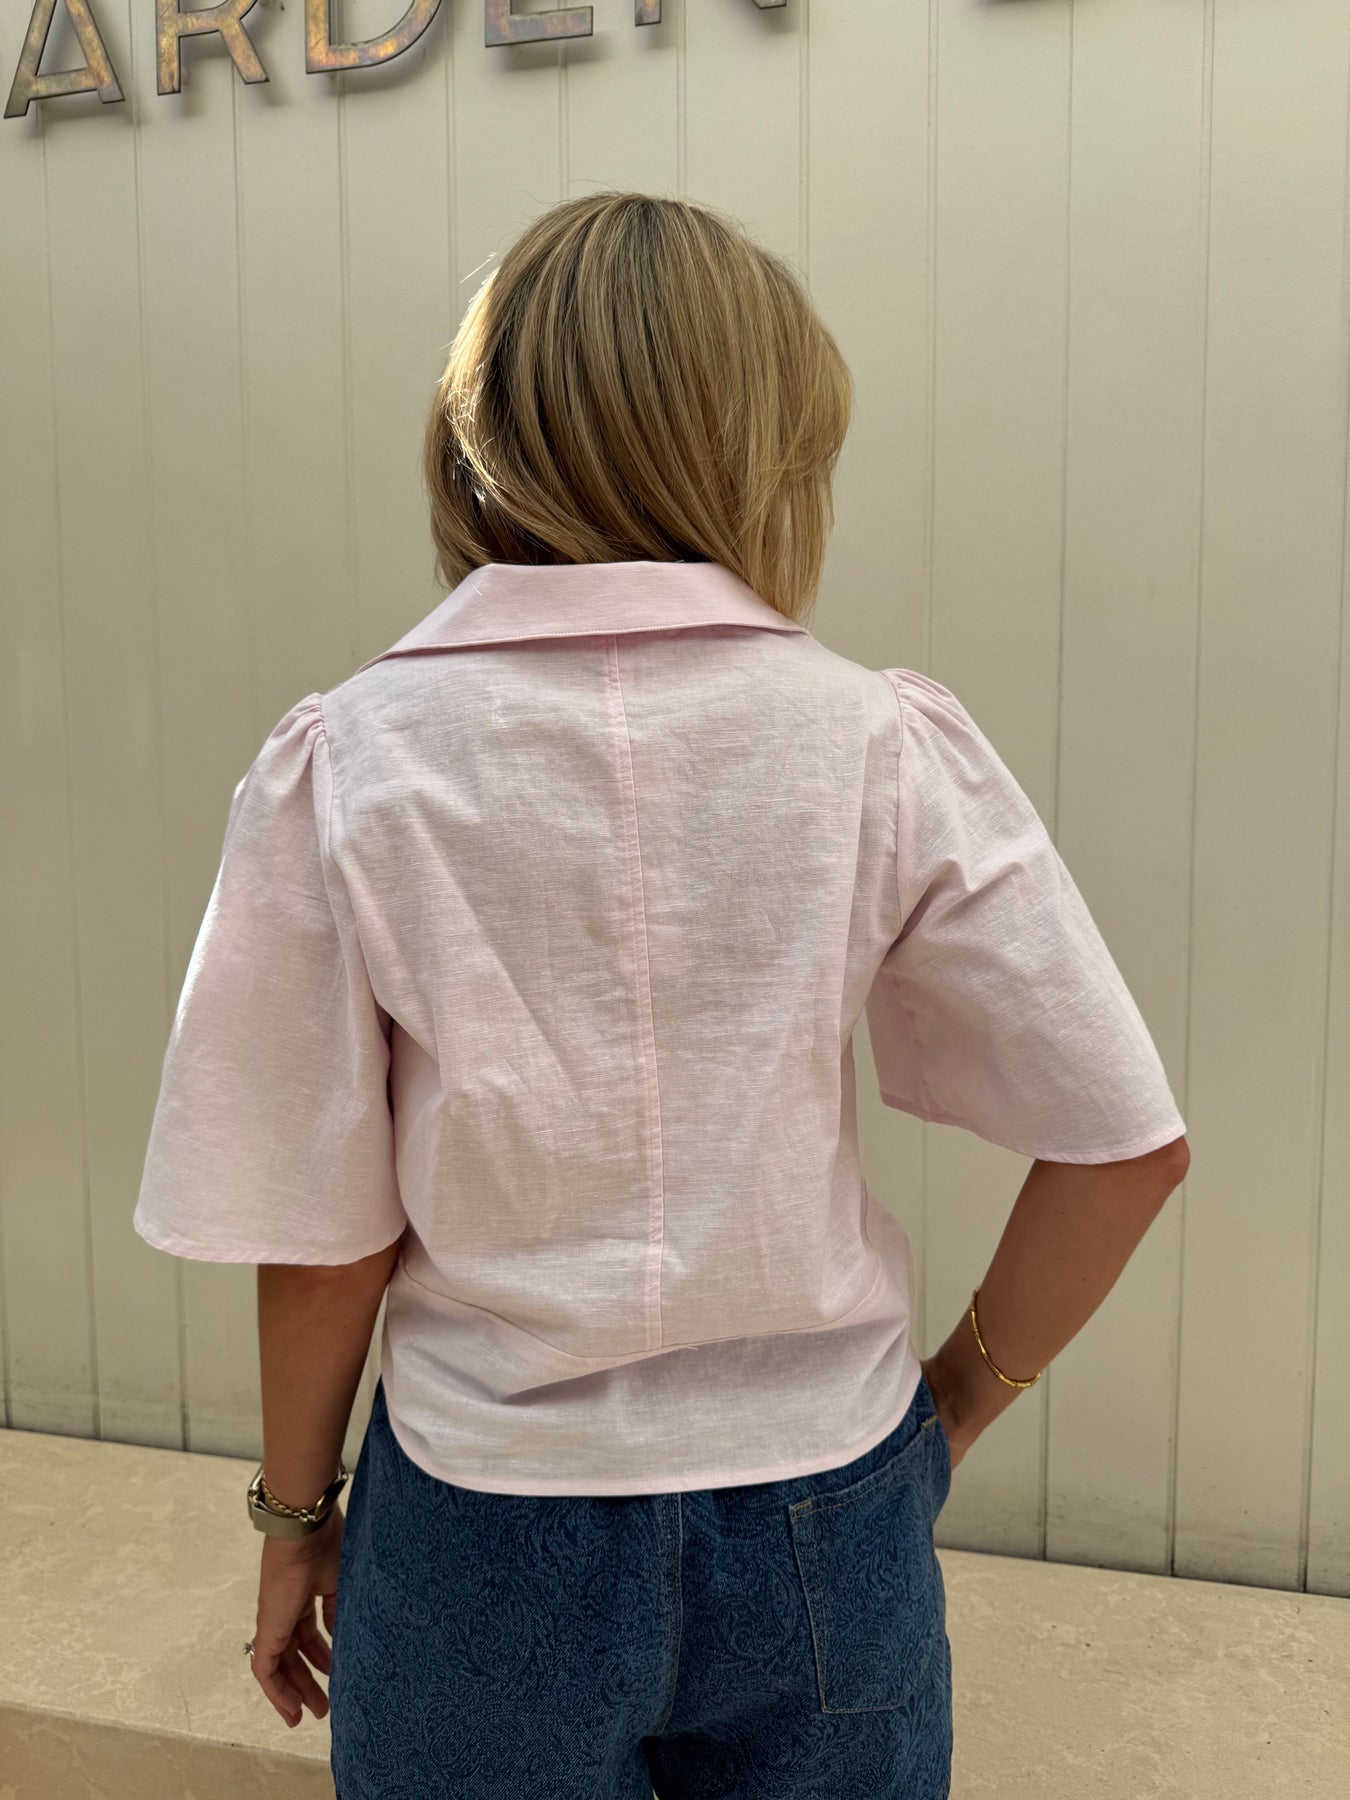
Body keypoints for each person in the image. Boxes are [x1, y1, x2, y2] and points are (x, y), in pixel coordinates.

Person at [132, 190, 1189, 1800]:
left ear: (473, 445)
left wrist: (293, 1518)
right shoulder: (877, 745)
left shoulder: (347, 767)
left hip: (486, 1515)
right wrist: (950, 1412)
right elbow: (1124, 1147)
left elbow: (327, 1240)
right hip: (830, 1504)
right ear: (764, 451)